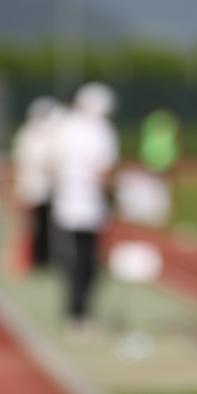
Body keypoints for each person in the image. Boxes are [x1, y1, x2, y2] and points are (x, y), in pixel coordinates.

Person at [51, 82, 119, 331]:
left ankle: (73, 311)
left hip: (65, 202)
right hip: (90, 205)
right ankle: (79, 314)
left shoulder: (65, 126)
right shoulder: (101, 130)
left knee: (71, 262)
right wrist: (115, 198)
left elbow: (54, 162)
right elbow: (105, 171)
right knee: (87, 263)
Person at [10, 96, 62, 270]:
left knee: (51, 226)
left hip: (52, 189)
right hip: (32, 188)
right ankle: (32, 258)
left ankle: (49, 257)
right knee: (31, 226)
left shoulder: (56, 134)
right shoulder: (26, 135)